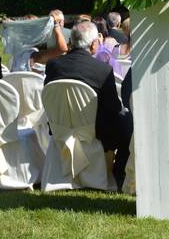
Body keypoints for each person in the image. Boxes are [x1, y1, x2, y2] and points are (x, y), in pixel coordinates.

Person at [45, 21, 129, 183]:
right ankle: (118, 172)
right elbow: (113, 108)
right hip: (92, 131)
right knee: (126, 123)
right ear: (93, 44)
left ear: (71, 42)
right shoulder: (102, 70)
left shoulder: (53, 65)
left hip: (60, 127)